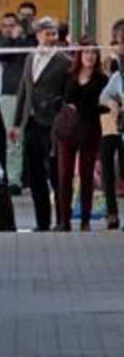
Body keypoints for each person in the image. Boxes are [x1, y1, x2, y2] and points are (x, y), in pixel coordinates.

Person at [10, 17, 71, 232]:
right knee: (35, 176)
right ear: (38, 35)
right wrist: (17, 123)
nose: (52, 38)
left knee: (56, 173)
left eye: (55, 33)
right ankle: (42, 222)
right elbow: (23, 90)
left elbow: (67, 94)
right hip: (32, 122)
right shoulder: (30, 57)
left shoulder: (65, 61)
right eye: (48, 33)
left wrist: (58, 113)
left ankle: (63, 220)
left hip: (52, 124)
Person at [56, 39, 108, 231]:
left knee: (87, 176)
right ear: (79, 54)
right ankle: (64, 220)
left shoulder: (102, 79)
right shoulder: (69, 76)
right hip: (67, 130)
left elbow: (105, 105)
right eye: (86, 52)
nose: (90, 56)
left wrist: (81, 107)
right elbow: (63, 99)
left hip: (90, 131)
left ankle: (85, 221)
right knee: (64, 176)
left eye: (94, 53)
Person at [0, 12, 35, 193]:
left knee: (32, 139)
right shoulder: (2, 43)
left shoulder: (29, 41)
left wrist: (21, 37)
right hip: (10, 95)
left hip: (31, 95)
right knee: (14, 139)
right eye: (5, 26)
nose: (9, 29)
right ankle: (14, 180)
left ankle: (30, 177)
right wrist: (14, 39)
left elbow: (29, 50)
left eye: (12, 25)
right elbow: (4, 55)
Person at [101, 19, 124, 230]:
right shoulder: (112, 65)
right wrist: (112, 101)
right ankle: (111, 213)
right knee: (108, 167)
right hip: (111, 125)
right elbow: (104, 94)